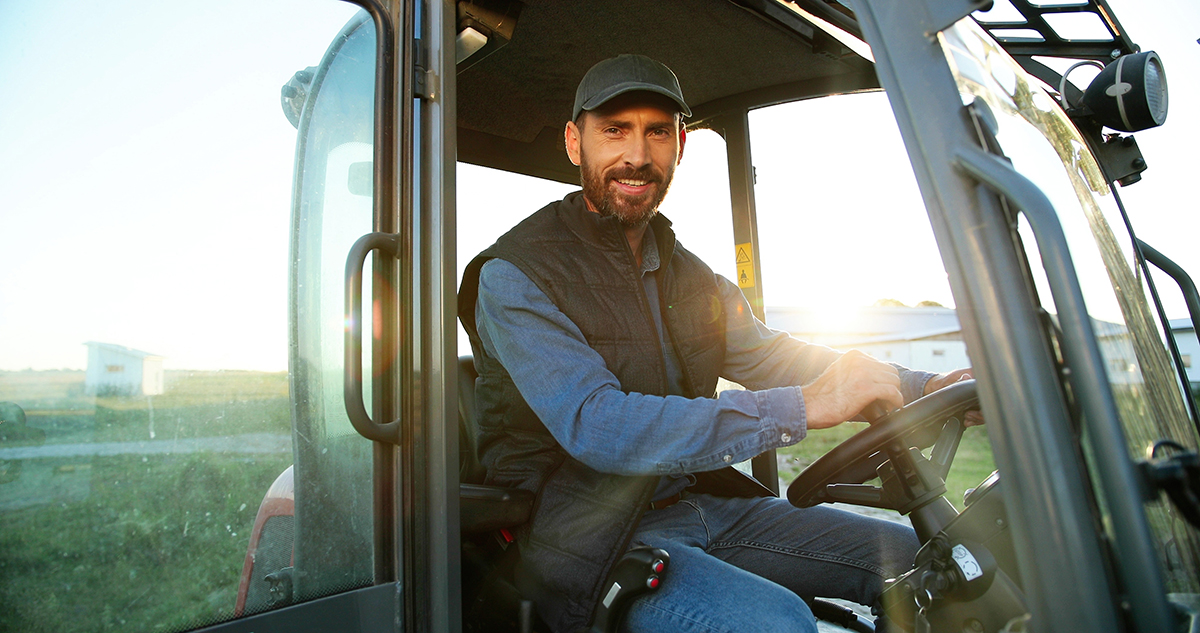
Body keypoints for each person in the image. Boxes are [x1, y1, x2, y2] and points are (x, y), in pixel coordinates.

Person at [458, 54, 975, 633]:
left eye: (657, 132)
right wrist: (803, 407)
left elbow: (772, 354)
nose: (637, 155)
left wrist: (919, 386)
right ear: (575, 143)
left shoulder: (688, 274)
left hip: (702, 506)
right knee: (780, 624)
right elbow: (597, 425)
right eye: (614, 130)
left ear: (680, 145)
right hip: (581, 535)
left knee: (937, 557)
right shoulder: (515, 275)